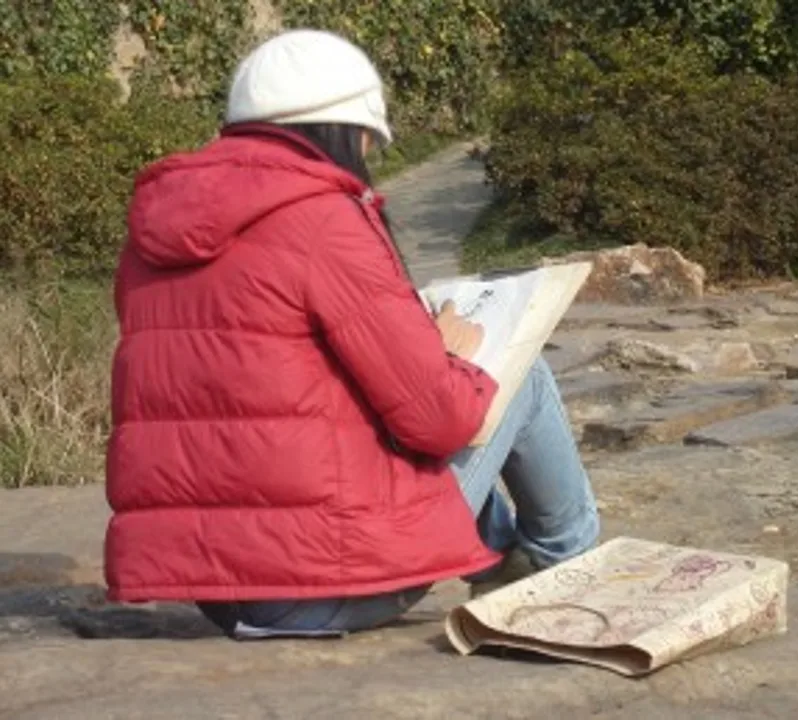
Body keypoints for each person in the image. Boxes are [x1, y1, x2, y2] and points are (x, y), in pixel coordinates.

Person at [105, 29, 599, 639]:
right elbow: (440, 421)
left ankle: (501, 552)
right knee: (521, 378)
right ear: (346, 130)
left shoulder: (151, 233)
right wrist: (444, 353)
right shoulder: (323, 219)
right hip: (321, 587)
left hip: (217, 591)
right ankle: (567, 561)